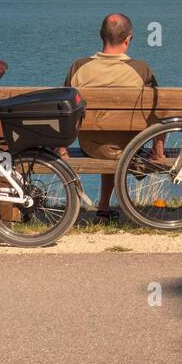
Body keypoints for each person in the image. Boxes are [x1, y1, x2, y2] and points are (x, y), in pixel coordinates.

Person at [65, 13, 157, 222]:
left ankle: (104, 209)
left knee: (106, 137)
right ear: (128, 39)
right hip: (128, 147)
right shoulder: (140, 69)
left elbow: (64, 110)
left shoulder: (78, 67)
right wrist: (157, 151)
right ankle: (108, 206)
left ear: (101, 36)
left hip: (91, 146)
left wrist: (61, 147)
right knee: (117, 138)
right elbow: (157, 113)